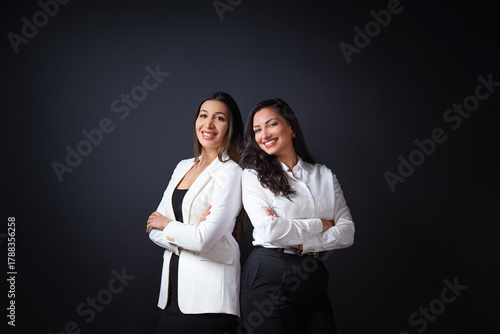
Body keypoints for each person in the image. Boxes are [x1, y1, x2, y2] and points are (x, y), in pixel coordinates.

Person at [239, 98, 355, 334]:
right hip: (269, 274)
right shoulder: (253, 176)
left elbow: (348, 232)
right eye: (257, 130)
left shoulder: (323, 175)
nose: (264, 135)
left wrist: (302, 239)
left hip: (313, 274)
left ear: (290, 128)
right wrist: (322, 224)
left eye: (271, 125)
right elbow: (269, 230)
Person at [146, 91, 246, 334]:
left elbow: (204, 239)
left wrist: (169, 225)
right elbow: (152, 228)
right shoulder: (183, 166)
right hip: (172, 294)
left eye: (219, 118)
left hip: (209, 299)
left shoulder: (231, 172)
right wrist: (189, 233)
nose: (208, 124)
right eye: (203, 115)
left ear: (230, 126)